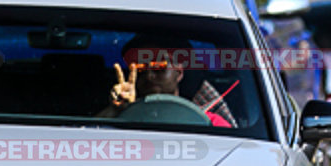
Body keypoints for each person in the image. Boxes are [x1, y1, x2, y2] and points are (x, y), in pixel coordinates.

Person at [101, 43, 237, 127]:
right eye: (140, 69)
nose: (149, 76)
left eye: (159, 67)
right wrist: (117, 110)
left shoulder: (210, 122)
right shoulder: (119, 117)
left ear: (179, 72)